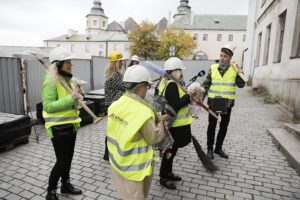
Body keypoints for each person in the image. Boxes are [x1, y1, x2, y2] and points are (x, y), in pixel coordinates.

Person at [107, 65, 167, 200]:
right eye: (147, 87)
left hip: (118, 163)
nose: (147, 90)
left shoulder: (115, 105)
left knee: (124, 194)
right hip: (135, 170)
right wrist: (160, 122)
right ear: (141, 86)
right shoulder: (143, 112)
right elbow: (154, 137)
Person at [42, 47, 83, 200]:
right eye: (67, 63)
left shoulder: (66, 80)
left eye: (70, 62)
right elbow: (48, 106)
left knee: (69, 159)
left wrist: (78, 96)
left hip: (70, 126)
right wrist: (70, 98)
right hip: (58, 128)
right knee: (61, 161)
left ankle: (65, 184)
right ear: (58, 64)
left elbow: (72, 104)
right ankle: (50, 191)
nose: (71, 65)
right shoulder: (50, 81)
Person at [202, 44, 245, 160]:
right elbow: (206, 84)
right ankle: (210, 148)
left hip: (227, 103)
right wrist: (200, 98)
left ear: (230, 58)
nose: (222, 58)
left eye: (225, 56)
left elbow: (241, 85)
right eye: (221, 55)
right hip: (214, 101)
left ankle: (218, 148)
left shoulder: (234, 69)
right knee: (211, 126)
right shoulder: (213, 68)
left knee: (223, 127)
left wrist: (240, 73)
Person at [157, 57, 194, 190]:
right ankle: (163, 177)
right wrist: (188, 96)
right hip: (174, 125)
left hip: (170, 124)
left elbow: (159, 99)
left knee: (172, 151)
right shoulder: (172, 84)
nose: (182, 73)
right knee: (169, 151)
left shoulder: (165, 82)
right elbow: (175, 105)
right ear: (175, 71)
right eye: (180, 71)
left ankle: (168, 173)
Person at [103, 51, 126, 161]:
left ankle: (108, 153)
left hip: (113, 106)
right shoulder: (115, 76)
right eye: (120, 61)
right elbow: (127, 86)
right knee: (114, 130)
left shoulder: (111, 73)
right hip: (115, 107)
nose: (122, 63)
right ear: (116, 62)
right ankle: (108, 154)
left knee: (113, 129)